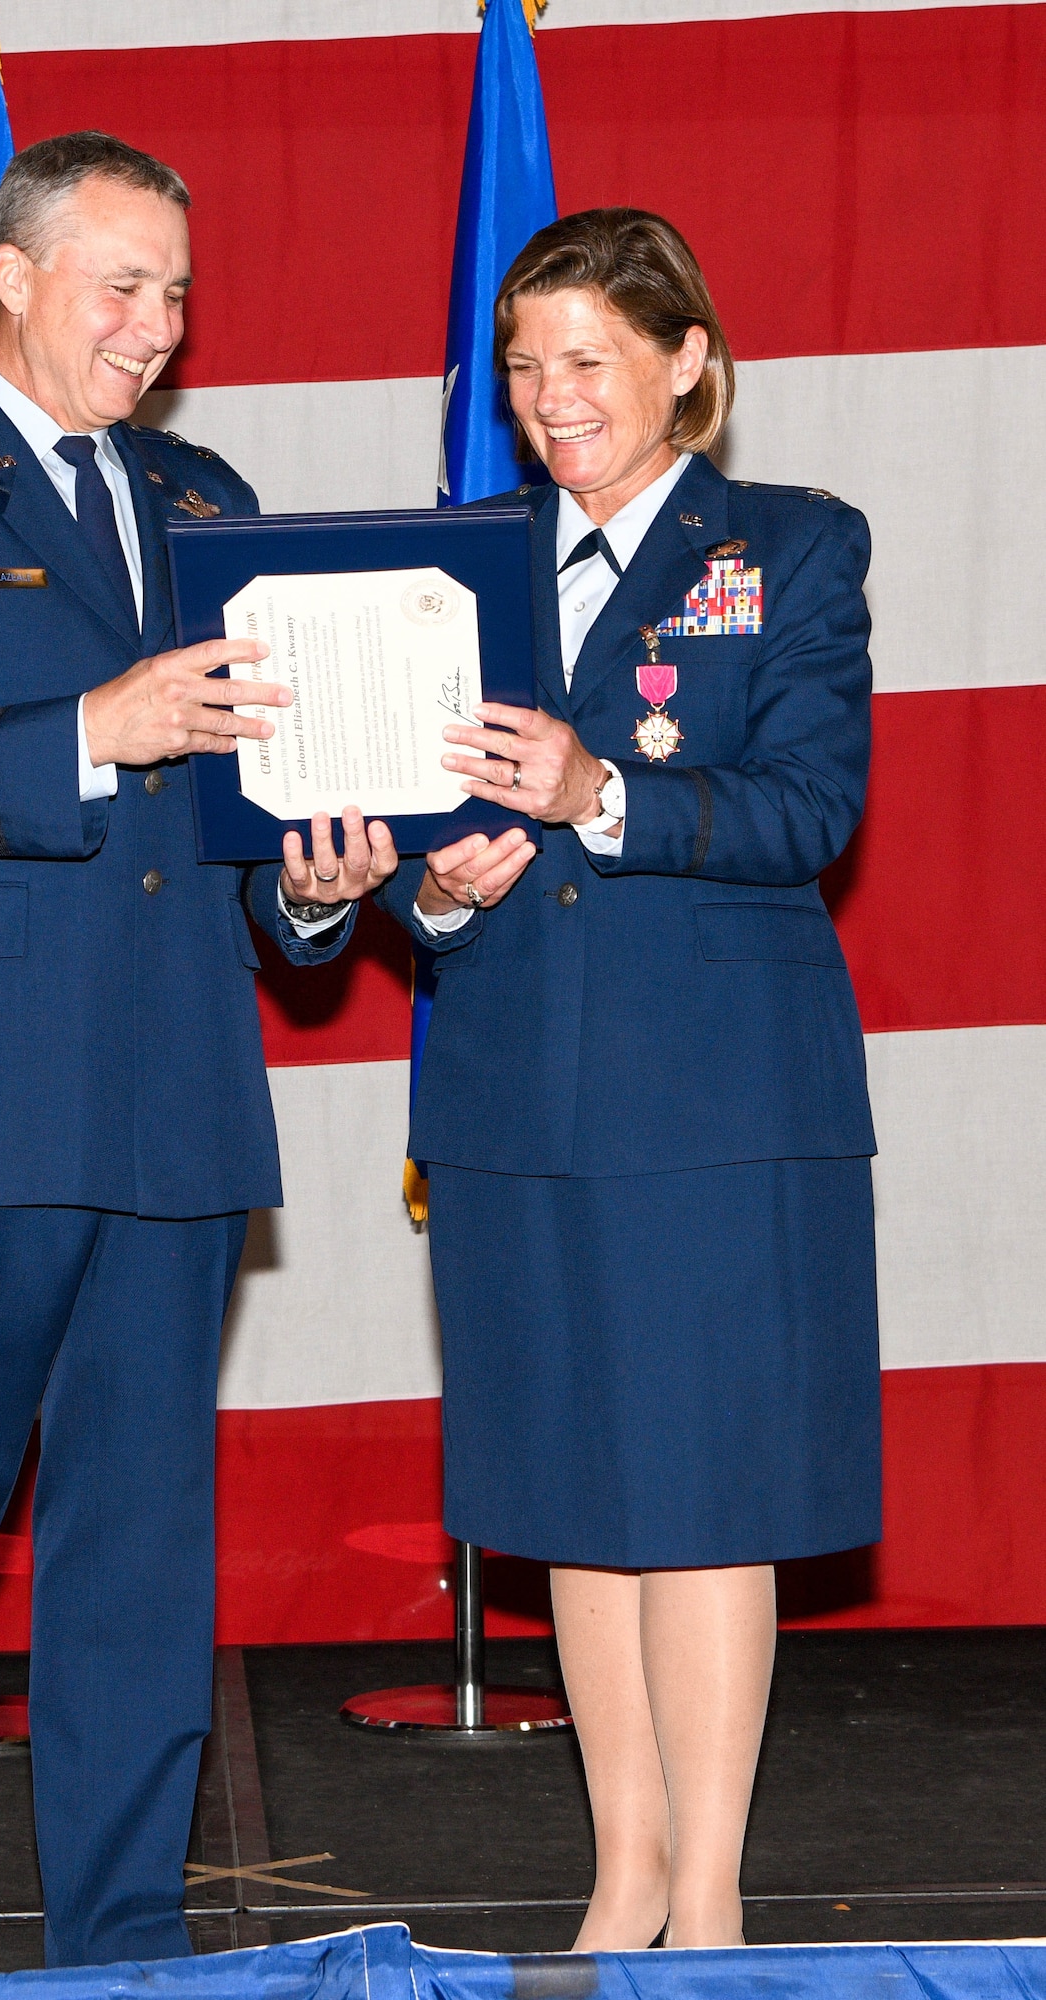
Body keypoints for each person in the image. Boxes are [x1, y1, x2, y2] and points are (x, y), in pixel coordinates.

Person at [0, 131, 385, 1978]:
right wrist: (91, 726)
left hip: (180, 1090)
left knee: (137, 1571)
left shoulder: (205, 493)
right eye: (124, 284)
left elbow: (248, 813)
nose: (157, 325)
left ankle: (128, 1947)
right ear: (14, 276)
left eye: (178, 292)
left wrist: (317, 885)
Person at [377, 208, 880, 1950]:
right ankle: (622, 1879)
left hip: (716, 1099)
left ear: (688, 366)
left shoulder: (792, 549)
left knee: (703, 1493)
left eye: (587, 359)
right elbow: (384, 826)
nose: (548, 398)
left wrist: (599, 794)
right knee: (569, 1492)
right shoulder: (463, 559)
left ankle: (718, 1902)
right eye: (524, 365)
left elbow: (809, 811)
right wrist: (425, 885)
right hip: (515, 1092)